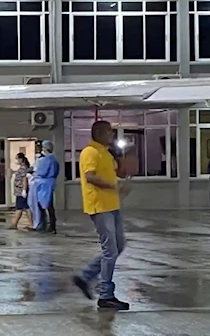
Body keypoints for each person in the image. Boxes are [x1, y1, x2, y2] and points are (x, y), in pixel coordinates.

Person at [73, 120, 131, 310]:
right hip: (99, 206)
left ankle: (86, 277)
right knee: (110, 250)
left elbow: (116, 172)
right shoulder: (90, 152)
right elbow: (90, 176)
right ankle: (106, 294)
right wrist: (114, 185)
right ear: (98, 133)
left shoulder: (105, 152)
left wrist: (121, 159)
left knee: (119, 245)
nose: (112, 136)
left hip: (112, 204)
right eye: (109, 132)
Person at [36, 140, 60, 234]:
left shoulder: (47, 160)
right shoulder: (54, 159)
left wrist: (34, 173)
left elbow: (42, 172)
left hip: (45, 183)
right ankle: (50, 224)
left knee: (46, 204)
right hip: (50, 182)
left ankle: (49, 225)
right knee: (48, 204)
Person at [9, 153, 33, 230]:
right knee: (26, 207)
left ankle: (14, 224)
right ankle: (30, 223)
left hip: (21, 191)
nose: (16, 160)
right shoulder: (22, 168)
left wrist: (24, 190)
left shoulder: (23, 168)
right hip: (19, 191)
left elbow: (24, 179)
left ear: (21, 159)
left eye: (17, 159)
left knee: (19, 208)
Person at [29, 148, 46, 230]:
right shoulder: (38, 161)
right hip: (35, 184)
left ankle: (39, 224)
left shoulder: (43, 161)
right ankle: (39, 223)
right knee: (32, 204)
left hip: (38, 185)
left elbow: (37, 171)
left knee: (37, 206)